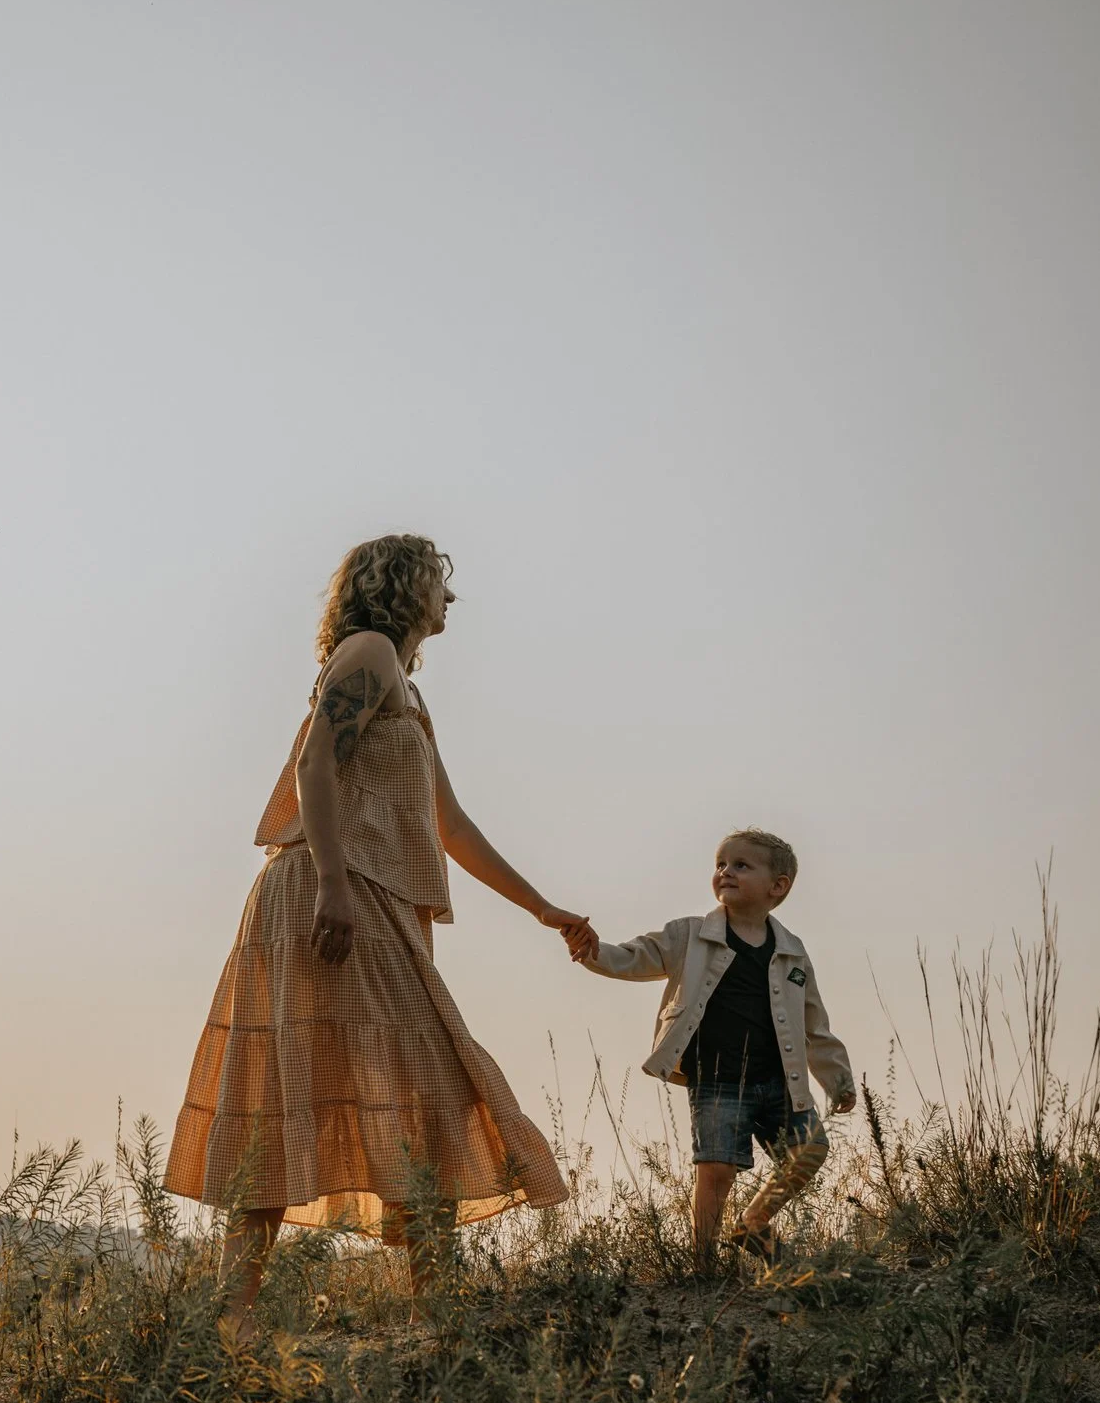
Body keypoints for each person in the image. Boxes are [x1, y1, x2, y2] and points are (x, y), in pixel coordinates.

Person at [167, 534, 586, 1317]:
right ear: (402, 586)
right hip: (332, 890)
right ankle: (242, 1316)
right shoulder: (368, 653)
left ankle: (423, 1309)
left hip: (368, 893)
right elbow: (314, 766)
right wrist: (331, 879)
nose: (450, 599)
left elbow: (450, 823)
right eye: (439, 583)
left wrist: (540, 906)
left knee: (393, 1085)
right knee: (329, 1084)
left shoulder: (404, 688)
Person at [571, 829, 854, 1269]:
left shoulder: (793, 953)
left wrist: (838, 1081)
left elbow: (814, 1025)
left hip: (779, 1079)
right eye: (721, 864)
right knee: (716, 1170)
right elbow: (633, 956)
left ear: (777, 886)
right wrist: (592, 951)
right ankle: (702, 1264)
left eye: (742, 865)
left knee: (811, 1150)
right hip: (717, 1077)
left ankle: (754, 1222)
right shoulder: (689, 934)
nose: (726, 872)